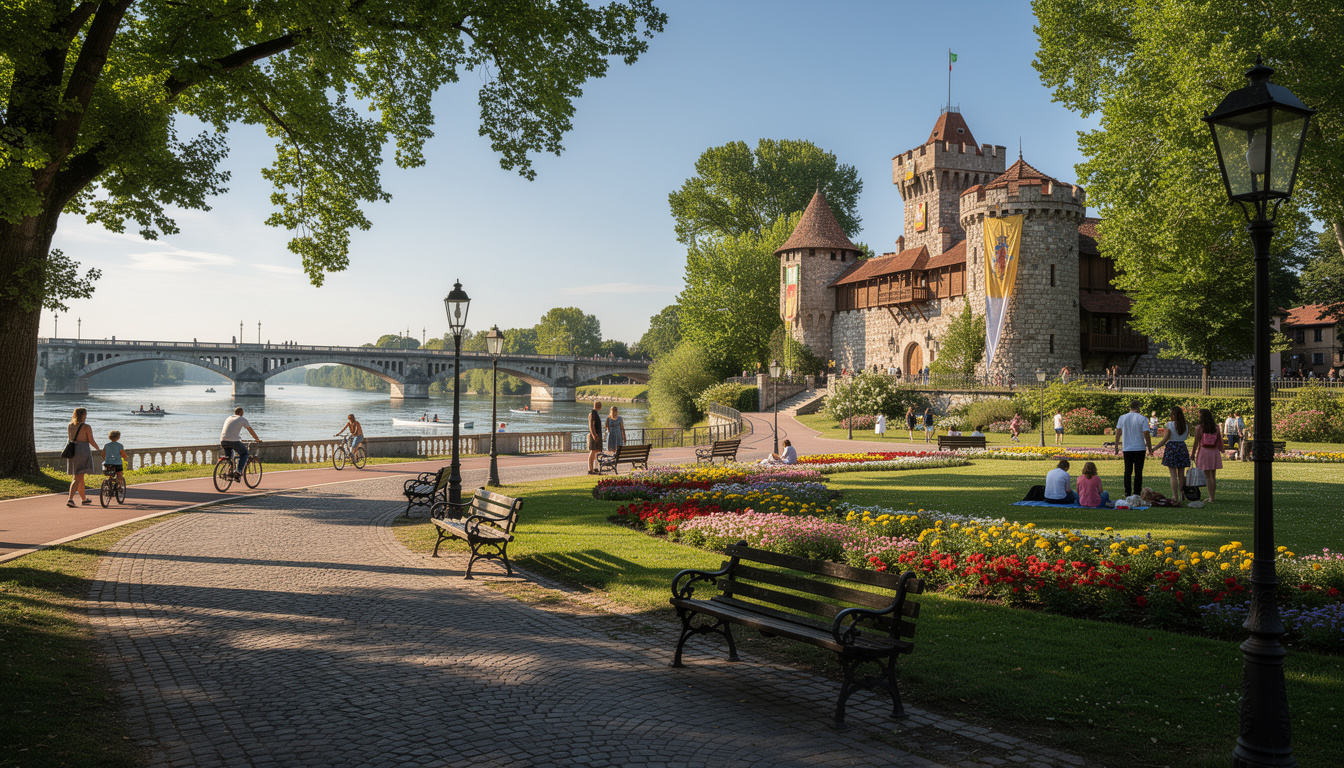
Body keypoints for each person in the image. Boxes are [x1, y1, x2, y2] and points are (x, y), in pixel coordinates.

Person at [1113, 400, 1153, 497]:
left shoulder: (1122, 418)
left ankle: (1127, 492)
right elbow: (1146, 433)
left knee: (1127, 471)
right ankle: (1136, 493)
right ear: (1138, 407)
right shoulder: (1142, 418)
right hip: (1139, 448)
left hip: (1127, 448)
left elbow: (1118, 432)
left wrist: (1116, 446)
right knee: (1138, 472)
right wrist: (1150, 447)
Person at [1152, 406, 1190, 503]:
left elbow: (1165, 439)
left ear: (1173, 415)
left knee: (1173, 475)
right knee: (1181, 474)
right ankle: (1182, 494)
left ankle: (1175, 496)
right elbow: (1185, 436)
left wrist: (1155, 448)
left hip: (1172, 448)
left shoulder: (1169, 424)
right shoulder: (1185, 424)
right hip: (1182, 447)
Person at [66, 407, 99, 507]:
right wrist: (98, 449)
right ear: (83, 415)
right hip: (83, 451)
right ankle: (70, 499)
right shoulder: (86, 427)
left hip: (73, 451)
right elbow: (91, 440)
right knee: (77, 477)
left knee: (80, 477)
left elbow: (70, 438)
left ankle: (84, 499)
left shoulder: (70, 426)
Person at [220, 407, 262, 480]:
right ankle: (239, 471)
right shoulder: (242, 419)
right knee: (244, 453)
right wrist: (257, 439)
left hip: (223, 440)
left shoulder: (229, 417)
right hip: (234, 441)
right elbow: (251, 431)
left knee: (229, 457)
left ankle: (230, 471)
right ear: (242, 412)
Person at [1192, 408, 1224, 502]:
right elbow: (1219, 440)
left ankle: (1211, 498)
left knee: (1208, 476)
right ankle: (1212, 496)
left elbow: (1196, 442)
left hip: (1204, 452)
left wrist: (1193, 454)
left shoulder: (1199, 428)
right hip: (1214, 452)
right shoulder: (1216, 427)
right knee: (1213, 475)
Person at [587, 401, 604, 474]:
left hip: (597, 434)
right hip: (595, 435)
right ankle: (591, 469)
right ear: (599, 406)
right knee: (593, 451)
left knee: (597, 451)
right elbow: (591, 425)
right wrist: (594, 435)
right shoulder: (593, 414)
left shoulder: (595, 414)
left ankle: (595, 468)